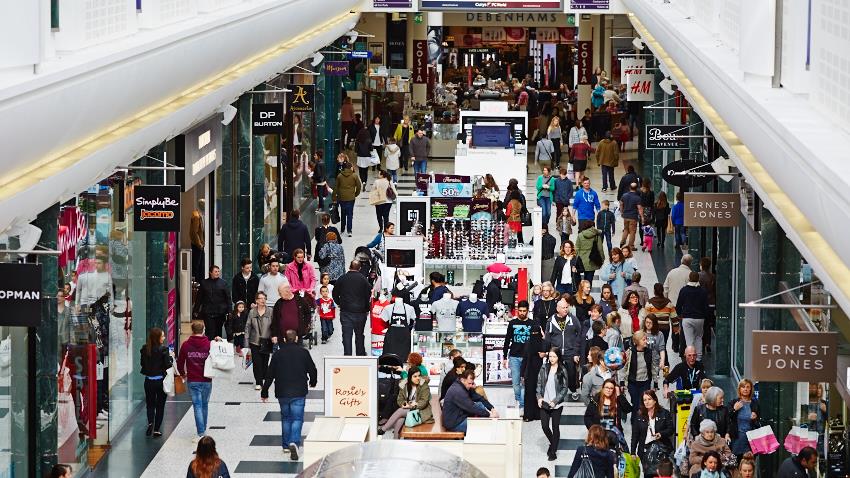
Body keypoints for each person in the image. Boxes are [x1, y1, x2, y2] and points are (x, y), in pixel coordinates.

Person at [261, 329, 317, 460]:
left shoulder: (278, 354)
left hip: (282, 391)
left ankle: (286, 445)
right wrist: (313, 382)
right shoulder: (303, 352)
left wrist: (264, 391)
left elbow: (270, 375)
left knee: (286, 418)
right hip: (299, 390)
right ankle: (294, 442)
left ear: (284, 340)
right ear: (296, 339)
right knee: (297, 418)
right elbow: (312, 369)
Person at [177, 321, 214, 442]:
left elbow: (180, 362)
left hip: (193, 379)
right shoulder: (209, 345)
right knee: (204, 404)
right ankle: (203, 430)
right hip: (207, 379)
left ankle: (201, 432)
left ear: (192, 331)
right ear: (203, 330)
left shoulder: (186, 345)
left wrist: (182, 374)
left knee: (197, 405)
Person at [543, 297, 582, 401]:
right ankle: (558, 393)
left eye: (567, 307)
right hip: (556, 353)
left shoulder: (573, 319)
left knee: (571, 373)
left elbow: (579, 334)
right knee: (556, 373)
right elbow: (547, 337)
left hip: (570, 352)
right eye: (563, 308)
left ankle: (573, 390)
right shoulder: (551, 321)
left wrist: (576, 352)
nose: (566, 309)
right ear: (558, 309)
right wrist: (547, 351)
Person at [378, 367, 433, 438]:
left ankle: (383, 429)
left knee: (401, 411)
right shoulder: (404, 385)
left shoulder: (424, 386)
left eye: (419, 376)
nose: (418, 378)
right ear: (410, 377)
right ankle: (396, 441)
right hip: (408, 410)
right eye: (415, 376)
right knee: (400, 419)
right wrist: (404, 404)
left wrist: (411, 406)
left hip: (421, 411)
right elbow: (400, 400)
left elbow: (424, 402)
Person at [332, 261, 372, 356]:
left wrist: (340, 303)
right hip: (360, 312)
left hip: (346, 311)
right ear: (359, 268)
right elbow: (368, 296)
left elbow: (334, 294)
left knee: (346, 335)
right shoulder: (363, 280)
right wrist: (367, 309)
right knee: (359, 334)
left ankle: (347, 354)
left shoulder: (342, 278)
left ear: (349, 267)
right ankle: (360, 354)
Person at [631, 389, 675, 477]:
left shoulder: (664, 413)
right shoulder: (639, 415)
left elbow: (671, 429)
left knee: (661, 475)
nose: (647, 402)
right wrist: (632, 452)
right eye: (644, 400)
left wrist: (661, 434)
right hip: (645, 451)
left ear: (655, 400)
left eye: (649, 399)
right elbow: (635, 435)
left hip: (662, 450)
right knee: (648, 474)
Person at [537, 347, 569, 460]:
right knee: (545, 426)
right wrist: (539, 397)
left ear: (558, 357)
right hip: (544, 402)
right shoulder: (544, 367)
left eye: (554, 356)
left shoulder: (562, 370)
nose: (551, 359)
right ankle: (553, 443)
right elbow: (539, 384)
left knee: (555, 427)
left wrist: (555, 401)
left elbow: (565, 389)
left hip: (557, 405)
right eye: (550, 356)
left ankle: (553, 451)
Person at [442, 369, 498, 433]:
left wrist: (491, 408)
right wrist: (489, 415)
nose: (471, 385)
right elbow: (471, 407)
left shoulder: (464, 386)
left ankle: (490, 424)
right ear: (462, 380)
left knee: (479, 405)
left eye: (472, 383)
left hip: (460, 416)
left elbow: (479, 398)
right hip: (454, 423)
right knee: (483, 425)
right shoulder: (458, 391)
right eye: (469, 383)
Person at [140, 327, 171, 437]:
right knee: (160, 406)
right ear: (157, 338)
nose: (164, 338)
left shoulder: (144, 349)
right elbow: (167, 365)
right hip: (160, 381)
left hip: (148, 381)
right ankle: (157, 429)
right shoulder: (163, 350)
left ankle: (150, 422)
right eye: (162, 336)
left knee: (150, 404)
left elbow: (142, 364)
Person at [585, 378, 632, 450]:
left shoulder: (617, 400)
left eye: (611, 388)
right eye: (607, 387)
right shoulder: (596, 399)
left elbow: (628, 409)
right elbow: (587, 417)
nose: (608, 390)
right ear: (603, 388)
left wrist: (619, 395)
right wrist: (594, 430)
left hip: (614, 434)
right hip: (599, 434)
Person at [503, 300, 533, 407]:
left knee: (526, 383)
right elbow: (507, 340)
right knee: (516, 383)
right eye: (520, 310)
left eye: (524, 311)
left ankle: (522, 405)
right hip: (514, 356)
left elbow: (535, 341)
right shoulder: (512, 323)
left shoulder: (532, 323)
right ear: (517, 311)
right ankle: (519, 400)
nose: (522, 313)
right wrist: (504, 357)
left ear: (527, 311)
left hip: (528, 357)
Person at [677, 271, 712, 361]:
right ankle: (698, 358)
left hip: (687, 318)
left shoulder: (684, 290)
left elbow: (678, 305)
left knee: (689, 340)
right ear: (698, 279)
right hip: (700, 319)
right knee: (698, 338)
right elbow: (706, 307)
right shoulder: (703, 291)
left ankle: (690, 358)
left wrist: (680, 315)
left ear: (689, 278)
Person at [622, 331, 656, 417]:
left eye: (646, 339)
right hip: (633, 383)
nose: (646, 341)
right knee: (636, 404)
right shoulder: (630, 352)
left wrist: (655, 383)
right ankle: (635, 425)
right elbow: (624, 367)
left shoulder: (649, 352)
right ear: (637, 342)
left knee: (643, 405)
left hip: (645, 382)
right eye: (643, 340)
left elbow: (653, 367)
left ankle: (643, 424)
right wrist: (622, 382)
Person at [244, 291, 273, 390]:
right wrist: (246, 342)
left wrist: (274, 336)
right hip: (254, 341)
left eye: (264, 298)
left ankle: (263, 377)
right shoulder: (252, 312)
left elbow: (274, 326)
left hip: (267, 341)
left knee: (265, 362)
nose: (263, 300)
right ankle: (258, 382)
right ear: (256, 300)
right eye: (260, 298)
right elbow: (248, 327)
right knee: (257, 362)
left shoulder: (270, 311)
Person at [196, 265, 230, 341]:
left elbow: (228, 298)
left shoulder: (223, 283)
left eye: (218, 271)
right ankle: (209, 348)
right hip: (208, 312)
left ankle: (218, 350)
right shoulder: (204, 283)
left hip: (220, 312)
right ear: (210, 272)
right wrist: (196, 310)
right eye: (215, 271)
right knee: (210, 332)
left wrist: (229, 311)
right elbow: (199, 298)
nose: (217, 273)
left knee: (218, 332)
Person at [729, 378, 760, 460]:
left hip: (751, 439)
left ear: (751, 389)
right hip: (737, 438)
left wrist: (755, 418)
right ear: (739, 389)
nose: (745, 389)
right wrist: (734, 409)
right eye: (743, 387)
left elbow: (759, 422)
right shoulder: (733, 402)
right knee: (736, 464)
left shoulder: (755, 403)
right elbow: (727, 418)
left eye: (747, 387)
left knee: (750, 465)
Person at [332, 162, 362, 238]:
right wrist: (356, 194)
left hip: (341, 197)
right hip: (351, 198)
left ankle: (342, 229)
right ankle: (349, 231)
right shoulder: (354, 176)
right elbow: (359, 186)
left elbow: (336, 187)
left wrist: (334, 197)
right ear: (350, 167)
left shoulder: (339, 176)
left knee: (343, 213)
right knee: (349, 214)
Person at [699, 257, 717, 354]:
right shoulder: (713, 277)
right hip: (711, 303)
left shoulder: (698, 276)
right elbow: (715, 291)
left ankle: (702, 343)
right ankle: (708, 343)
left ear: (701, 265)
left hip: (701, 304)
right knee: (708, 325)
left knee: (701, 324)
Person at [619, 182, 643, 250]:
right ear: (636, 188)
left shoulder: (624, 195)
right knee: (632, 231)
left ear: (629, 188)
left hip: (625, 216)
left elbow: (621, 204)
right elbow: (639, 208)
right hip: (633, 217)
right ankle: (631, 246)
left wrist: (621, 212)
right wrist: (642, 217)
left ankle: (622, 241)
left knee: (626, 229)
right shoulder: (637, 198)